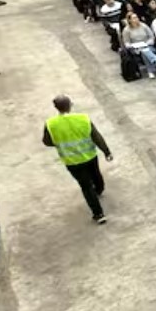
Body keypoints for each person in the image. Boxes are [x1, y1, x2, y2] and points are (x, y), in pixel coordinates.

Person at [42, 95, 113, 224]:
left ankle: (98, 214)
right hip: (90, 156)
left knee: (85, 187)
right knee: (96, 174)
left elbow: (47, 142)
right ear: (70, 105)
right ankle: (99, 189)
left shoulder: (50, 124)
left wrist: (60, 142)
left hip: (72, 161)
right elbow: (96, 136)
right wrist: (106, 151)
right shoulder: (83, 118)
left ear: (56, 107)